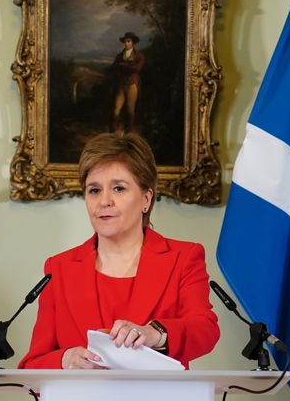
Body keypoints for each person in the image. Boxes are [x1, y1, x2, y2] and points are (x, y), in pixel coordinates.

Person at [18, 132, 219, 369]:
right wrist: (64, 360)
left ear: (146, 199)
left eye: (119, 189)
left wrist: (155, 334)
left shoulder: (184, 258)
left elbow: (205, 330)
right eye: (94, 190)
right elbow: (33, 366)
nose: (104, 201)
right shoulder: (58, 269)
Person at [110, 31, 145, 133]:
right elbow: (112, 67)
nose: (126, 43)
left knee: (130, 110)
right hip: (121, 85)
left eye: (128, 41)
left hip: (132, 85)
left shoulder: (139, 55)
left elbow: (137, 69)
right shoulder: (120, 55)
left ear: (133, 43)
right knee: (116, 109)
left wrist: (124, 66)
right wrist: (120, 66)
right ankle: (112, 133)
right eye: (125, 41)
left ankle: (128, 134)